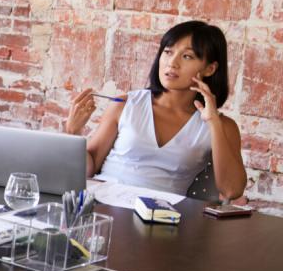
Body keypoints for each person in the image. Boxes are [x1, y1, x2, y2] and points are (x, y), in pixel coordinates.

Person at [65, 20, 246, 201]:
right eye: (168, 52)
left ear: (210, 69)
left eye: (187, 56)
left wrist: (213, 122)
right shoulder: (125, 104)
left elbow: (231, 191)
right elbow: (89, 168)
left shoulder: (223, 126)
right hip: (102, 201)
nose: (172, 63)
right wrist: (73, 132)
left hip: (162, 216)